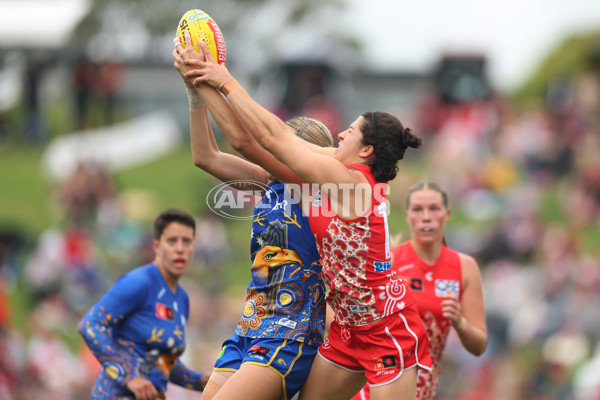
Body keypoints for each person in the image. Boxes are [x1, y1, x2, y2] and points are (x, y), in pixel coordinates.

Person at [180, 41, 433, 400]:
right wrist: (201, 84)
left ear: (366, 151)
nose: (340, 134)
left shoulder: (347, 183)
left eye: (350, 130)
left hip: (383, 327)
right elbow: (248, 141)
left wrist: (223, 78)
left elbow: (267, 138)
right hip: (344, 328)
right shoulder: (332, 171)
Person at [173, 31, 331, 400]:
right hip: (250, 327)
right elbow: (205, 157)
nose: (270, 148)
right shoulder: (269, 182)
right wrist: (195, 96)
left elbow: (243, 140)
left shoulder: (313, 190)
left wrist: (209, 74)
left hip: (288, 333)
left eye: (282, 145)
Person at [353, 181, 488, 400]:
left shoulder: (464, 267)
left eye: (434, 208)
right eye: (418, 209)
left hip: (424, 388)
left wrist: (460, 322)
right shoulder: (390, 261)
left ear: (447, 214)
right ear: (408, 216)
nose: (426, 217)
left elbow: (479, 346)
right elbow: (359, 322)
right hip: (381, 382)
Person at [78, 209, 209, 399]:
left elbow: (165, 362)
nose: (180, 248)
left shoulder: (182, 299)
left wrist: (202, 381)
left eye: (186, 241)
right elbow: (89, 325)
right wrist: (128, 376)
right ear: (156, 246)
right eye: (172, 241)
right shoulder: (138, 283)